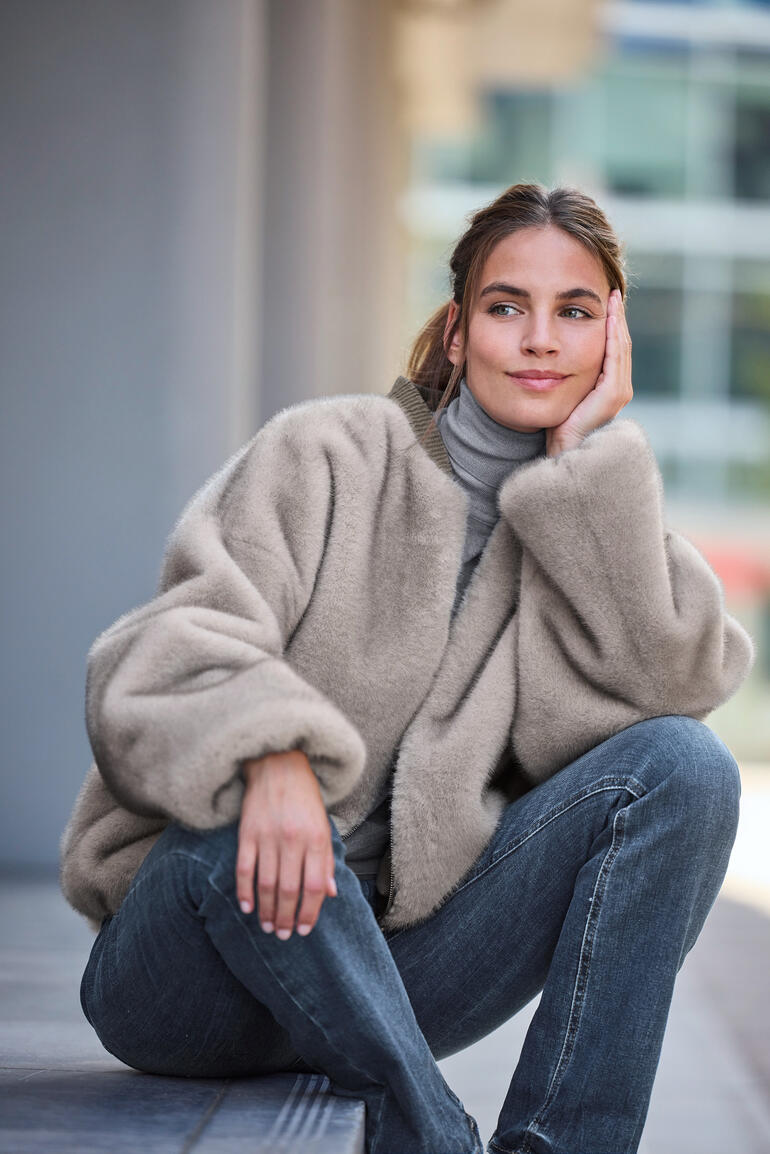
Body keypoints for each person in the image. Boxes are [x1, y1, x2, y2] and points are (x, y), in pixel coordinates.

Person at [61, 182, 755, 1154]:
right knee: (224, 827)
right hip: (192, 972)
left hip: (398, 975)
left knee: (687, 766)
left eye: (575, 312)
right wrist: (273, 758)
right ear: (457, 329)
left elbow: (674, 688)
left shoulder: (588, 527)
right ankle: (433, 1137)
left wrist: (586, 474)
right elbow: (157, 654)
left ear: (613, 342)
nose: (539, 338)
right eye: (506, 305)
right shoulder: (328, 453)